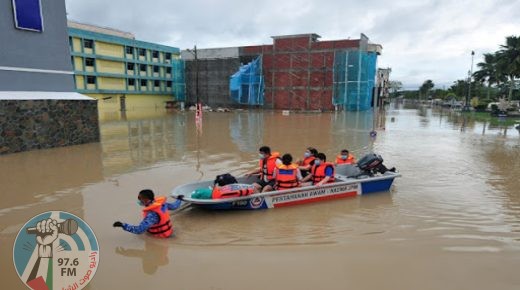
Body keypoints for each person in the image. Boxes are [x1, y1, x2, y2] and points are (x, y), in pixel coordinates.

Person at [113, 189, 182, 238]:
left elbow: (139, 230)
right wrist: (179, 199)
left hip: (160, 238)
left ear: (145, 200)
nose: (138, 200)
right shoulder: (162, 204)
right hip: (170, 233)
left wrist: (123, 225)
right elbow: (174, 206)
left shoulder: (152, 215)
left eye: (139, 198)